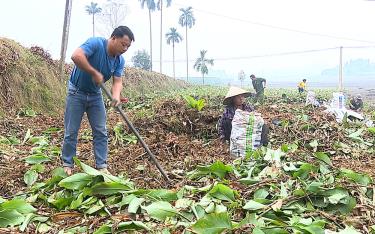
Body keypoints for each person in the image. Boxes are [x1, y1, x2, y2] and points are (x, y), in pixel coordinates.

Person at [61, 26, 135, 176]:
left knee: (101, 131)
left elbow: (117, 81)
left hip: (95, 95)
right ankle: (67, 163)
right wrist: (93, 72)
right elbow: (76, 56)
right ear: (113, 38)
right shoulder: (96, 44)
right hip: (77, 91)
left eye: (128, 46)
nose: (125, 48)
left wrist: (116, 95)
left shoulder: (119, 60)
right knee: (72, 131)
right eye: (123, 44)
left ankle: (101, 166)